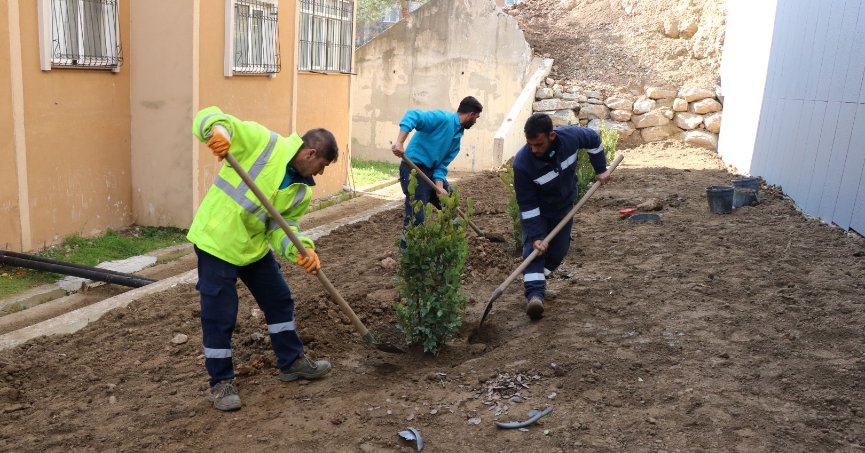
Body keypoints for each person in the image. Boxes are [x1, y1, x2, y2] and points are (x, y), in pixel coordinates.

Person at [188, 106, 337, 411]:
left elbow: (282, 228)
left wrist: (300, 248)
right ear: (310, 153)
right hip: (217, 241)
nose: (320, 174)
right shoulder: (263, 142)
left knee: (279, 299)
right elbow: (209, 116)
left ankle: (291, 362)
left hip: (253, 249)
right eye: (321, 166)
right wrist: (217, 133)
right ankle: (220, 384)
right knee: (220, 314)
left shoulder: (301, 191)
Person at [512, 113, 611, 320]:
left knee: (559, 250)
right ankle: (535, 296)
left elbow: (593, 139)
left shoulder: (571, 137)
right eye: (530, 144)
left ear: (551, 136)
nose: (534, 149)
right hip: (538, 211)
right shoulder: (523, 164)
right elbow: (527, 204)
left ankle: (540, 282)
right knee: (535, 250)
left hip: (564, 206)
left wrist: (600, 169)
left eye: (539, 144)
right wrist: (537, 235)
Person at [390, 96, 483, 239]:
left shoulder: (456, 140)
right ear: (471, 114)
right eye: (476, 117)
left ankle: (447, 242)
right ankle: (409, 255)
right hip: (414, 170)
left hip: (431, 172)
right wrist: (399, 142)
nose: (475, 121)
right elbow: (412, 116)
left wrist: (440, 186)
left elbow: (441, 166)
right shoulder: (442, 119)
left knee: (450, 201)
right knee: (416, 216)